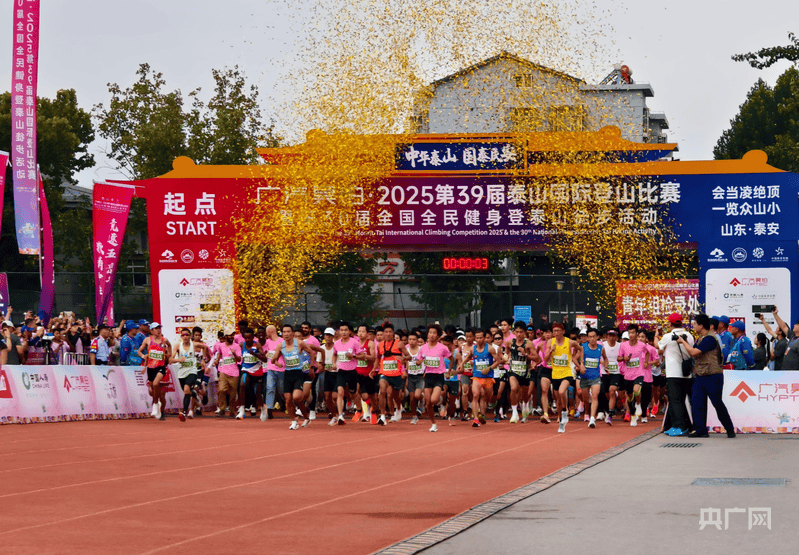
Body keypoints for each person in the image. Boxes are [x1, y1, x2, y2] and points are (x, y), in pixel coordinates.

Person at [675, 313, 736, 438]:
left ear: (701, 325)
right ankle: (701, 430)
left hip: (713, 376)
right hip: (701, 376)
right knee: (697, 403)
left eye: (695, 324)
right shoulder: (702, 338)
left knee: (717, 403)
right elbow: (696, 353)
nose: (694, 326)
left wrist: (682, 341)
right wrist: (686, 342)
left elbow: (693, 352)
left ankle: (730, 429)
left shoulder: (709, 339)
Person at [657, 313, 694, 436]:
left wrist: (657, 336)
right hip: (687, 373)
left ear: (670, 324)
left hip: (673, 374)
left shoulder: (668, 336)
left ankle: (679, 427)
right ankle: (681, 426)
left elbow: (658, 346)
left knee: (675, 401)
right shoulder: (689, 335)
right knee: (682, 400)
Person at [416, 323, 454, 433]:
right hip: (428, 376)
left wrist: (449, 372)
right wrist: (419, 362)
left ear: (438, 336)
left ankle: (442, 401)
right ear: (427, 335)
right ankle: (433, 424)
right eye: (430, 333)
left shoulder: (442, 348)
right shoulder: (423, 348)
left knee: (433, 400)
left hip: (438, 376)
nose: (432, 335)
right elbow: (419, 361)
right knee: (428, 403)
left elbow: (451, 359)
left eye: (434, 333)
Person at [545, 322, 580, 433]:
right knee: (558, 400)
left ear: (563, 331)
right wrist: (551, 351)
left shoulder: (569, 342)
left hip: (567, 372)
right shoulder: (550, 342)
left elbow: (581, 348)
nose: (556, 333)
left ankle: (565, 412)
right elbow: (545, 359)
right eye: (554, 331)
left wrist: (579, 361)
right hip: (555, 373)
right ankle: (561, 421)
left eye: (558, 331)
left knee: (561, 392)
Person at [463, 328, 499, 427]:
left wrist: (489, 368)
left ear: (484, 338)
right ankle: (475, 419)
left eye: (481, 338)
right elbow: (468, 356)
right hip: (476, 376)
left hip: (488, 377)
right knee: (475, 395)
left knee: (486, 397)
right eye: (477, 338)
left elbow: (498, 360)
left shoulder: (490, 348)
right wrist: (462, 364)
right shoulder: (473, 349)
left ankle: (482, 415)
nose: (479, 340)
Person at [506, 321, 540, 423]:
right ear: (514, 332)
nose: (519, 334)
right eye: (517, 332)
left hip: (525, 372)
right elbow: (506, 352)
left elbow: (538, 358)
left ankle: (525, 405)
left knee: (524, 395)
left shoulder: (528, 343)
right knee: (513, 388)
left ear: (524, 332)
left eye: (521, 332)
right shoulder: (509, 342)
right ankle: (515, 413)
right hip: (513, 370)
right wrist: (507, 357)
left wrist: (525, 354)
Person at [617, 324, 650, 427]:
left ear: (636, 334)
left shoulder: (642, 345)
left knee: (637, 390)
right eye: (629, 333)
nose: (631, 335)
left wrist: (645, 362)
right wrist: (624, 359)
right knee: (630, 396)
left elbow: (647, 353)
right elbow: (618, 358)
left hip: (639, 373)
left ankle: (638, 404)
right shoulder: (623, 345)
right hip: (627, 375)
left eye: (633, 333)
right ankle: (632, 415)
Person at [137, 322, 171, 420]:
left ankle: (160, 409)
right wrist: (143, 356)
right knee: (152, 390)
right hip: (151, 368)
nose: (158, 330)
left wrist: (169, 355)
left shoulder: (165, 340)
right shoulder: (147, 340)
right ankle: (156, 403)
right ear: (151, 331)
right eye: (156, 328)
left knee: (158, 388)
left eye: (159, 328)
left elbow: (169, 346)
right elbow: (139, 351)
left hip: (161, 367)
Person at [170, 328, 204, 422]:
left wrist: (204, 360)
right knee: (187, 392)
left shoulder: (194, 345)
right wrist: (178, 360)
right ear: (181, 336)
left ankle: (184, 412)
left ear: (190, 336)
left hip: (192, 371)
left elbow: (204, 347)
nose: (185, 337)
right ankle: (195, 395)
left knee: (186, 389)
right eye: (183, 335)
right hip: (181, 373)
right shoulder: (177, 346)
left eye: (187, 335)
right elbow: (170, 360)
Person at [332, 322, 363, 426]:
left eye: (346, 330)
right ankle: (340, 415)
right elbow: (335, 354)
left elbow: (362, 355)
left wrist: (353, 356)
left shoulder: (354, 342)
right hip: (341, 371)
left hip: (352, 372)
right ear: (339, 331)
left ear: (349, 332)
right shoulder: (336, 343)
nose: (343, 332)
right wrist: (333, 363)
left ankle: (359, 409)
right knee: (340, 392)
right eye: (341, 330)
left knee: (353, 394)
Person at [577, 328, 607, 428]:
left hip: (596, 377)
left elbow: (605, 358)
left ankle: (592, 419)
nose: (592, 339)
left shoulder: (601, 348)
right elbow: (574, 359)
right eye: (590, 337)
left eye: (594, 336)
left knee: (594, 396)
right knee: (586, 399)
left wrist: (606, 367)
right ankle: (586, 411)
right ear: (587, 338)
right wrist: (580, 366)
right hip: (585, 377)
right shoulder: (583, 347)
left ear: (597, 337)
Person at [376, 322, 405, 425]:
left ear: (393, 333)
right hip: (384, 373)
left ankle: (398, 408)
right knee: (382, 391)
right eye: (386, 332)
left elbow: (409, 357)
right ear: (383, 333)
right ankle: (383, 416)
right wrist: (374, 369)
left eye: (390, 332)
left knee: (396, 396)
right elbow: (378, 359)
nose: (388, 334)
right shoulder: (380, 346)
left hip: (396, 374)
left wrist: (403, 358)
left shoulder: (399, 344)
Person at [404, 331, 425, 424]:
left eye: (414, 339)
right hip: (410, 376)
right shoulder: (406, 350)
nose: (412, 341)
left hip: (420, 376)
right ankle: (414, 416)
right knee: (412, 398)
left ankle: (421, 399)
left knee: (417, 395)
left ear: (417, 341)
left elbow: (426, 360)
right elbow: (403, 362)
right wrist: (405, 371)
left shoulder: (422, 349)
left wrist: (425, 372)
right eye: (410, 339)